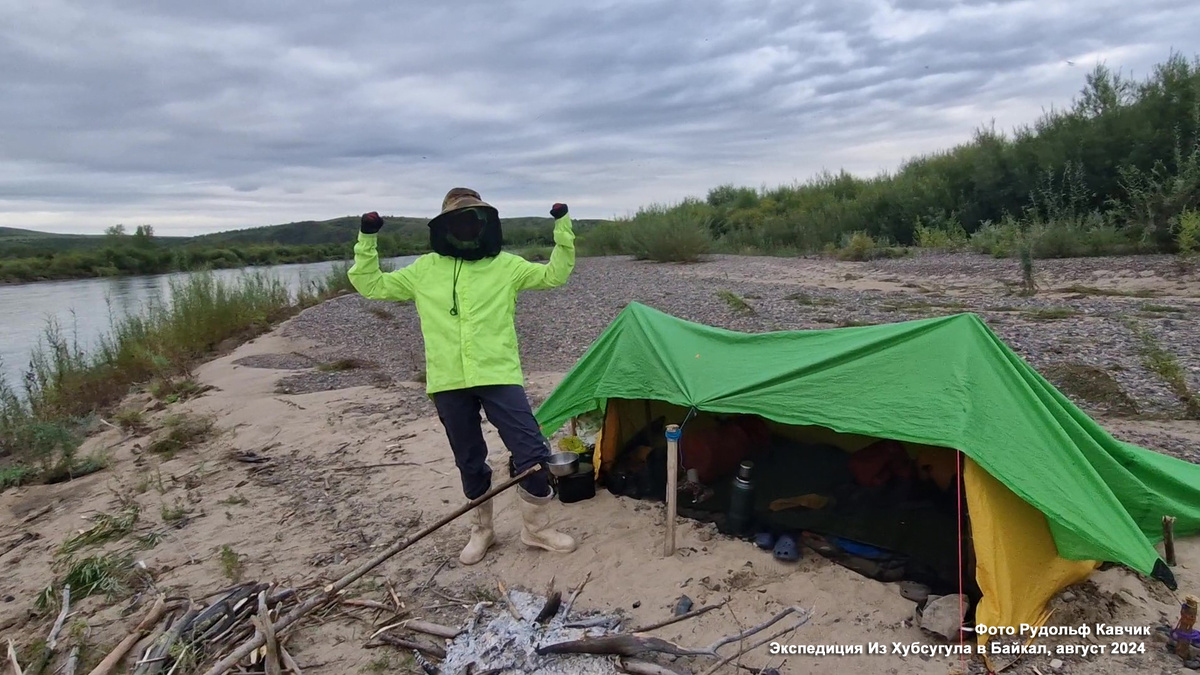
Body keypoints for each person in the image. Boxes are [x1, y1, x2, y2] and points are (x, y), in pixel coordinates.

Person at [347, 187, 577, 565]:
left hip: (499, 374)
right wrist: (367, 237)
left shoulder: (506, 265)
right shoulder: (424, 270)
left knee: (533, 451)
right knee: (469, 459)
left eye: (474, 219)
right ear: (446, 226)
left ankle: (536, 529)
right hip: (448, 381)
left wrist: (562, 226)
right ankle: (482, 530)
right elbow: (370, 284)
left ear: (485, 224)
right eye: (460, 219)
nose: (468, 226)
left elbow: (555, 275)